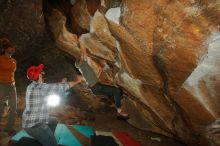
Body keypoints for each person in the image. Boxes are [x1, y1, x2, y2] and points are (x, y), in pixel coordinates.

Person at [22, 64, 82, 146]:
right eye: (41, 73)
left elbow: (50, 87)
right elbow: (63, 86)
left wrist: (61, 83)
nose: (43, 73)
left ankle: (47, 137)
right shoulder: (41, 88)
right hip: (35, 126)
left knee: (53, 121)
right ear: (39, 76)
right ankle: (48, 140)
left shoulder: (31, 86)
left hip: (28, 121)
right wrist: (78, 81)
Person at [75, 41, 129, 119]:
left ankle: (117, 101)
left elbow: (90, 78)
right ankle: (119, 111)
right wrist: (82, 42)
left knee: (113, 93)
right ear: (80, 62)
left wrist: (99, 73)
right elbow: (83, 53)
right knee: (116, 91)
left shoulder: (83, 69)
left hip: (95, 88)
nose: (82, 58)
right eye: (81, 59)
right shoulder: (83, 64)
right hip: (97, 87)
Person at [0, 38, 17, 134]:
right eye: (11, 48)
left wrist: (13, 84)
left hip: (12, 85)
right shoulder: (0, 59)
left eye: (13, 49)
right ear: (5, 49)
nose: (13, 50)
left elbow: (12, 74)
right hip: (1, 85)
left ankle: (9, 127)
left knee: (13, 107)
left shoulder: (14, 61)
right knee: (0, 108)